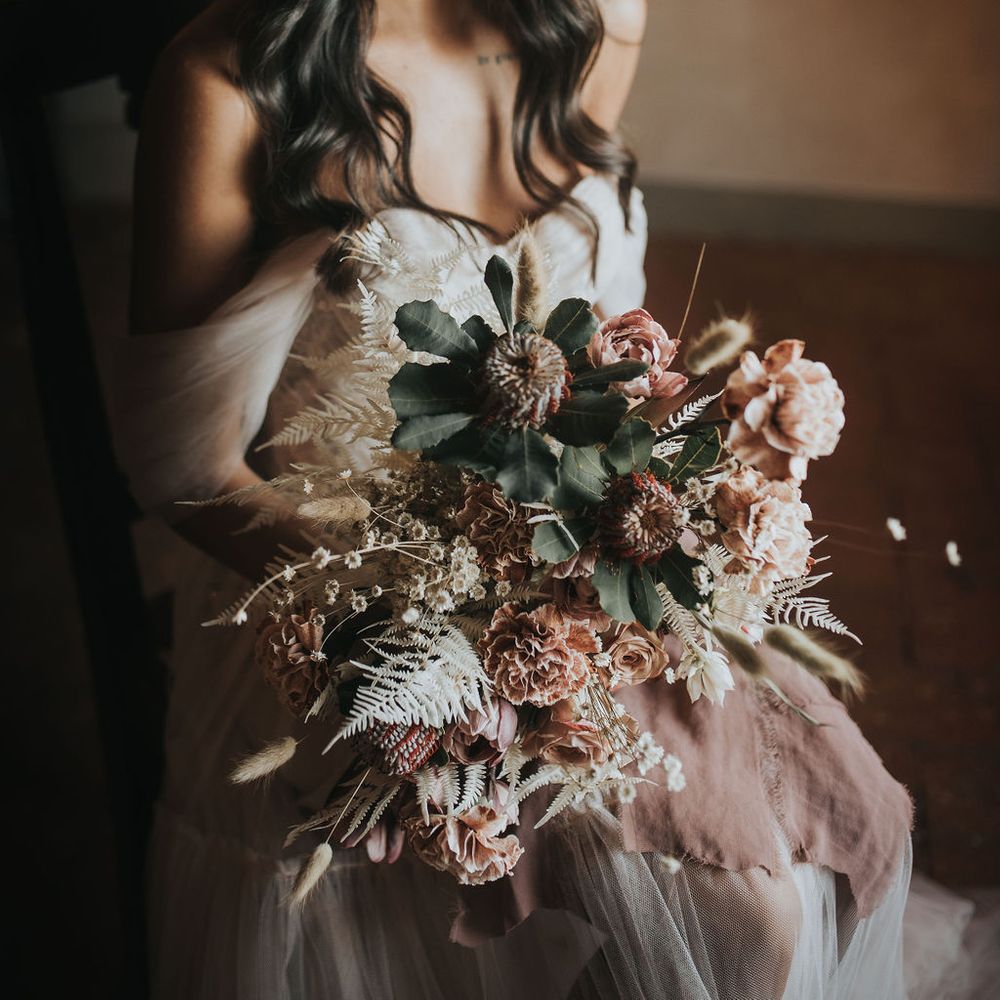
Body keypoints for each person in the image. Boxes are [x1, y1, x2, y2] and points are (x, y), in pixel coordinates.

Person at [114, 2, 923, 997]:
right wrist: (430, 622)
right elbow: (184, 469)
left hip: (589, 566)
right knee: (738, 923)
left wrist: (671, 497)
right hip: (346, 596)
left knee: (802, 884)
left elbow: (591, 341)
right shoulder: (231, 80)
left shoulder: (593, 18)